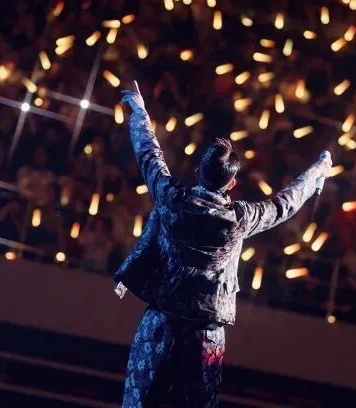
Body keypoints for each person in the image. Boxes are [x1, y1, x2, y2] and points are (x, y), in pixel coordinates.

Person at [115, 81, 332, 407]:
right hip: (206, 335)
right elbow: (285, 203)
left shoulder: (173, 199)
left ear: (198, 171)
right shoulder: (240, 218)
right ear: (231, 183)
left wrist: (140, 113)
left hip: (161, 322)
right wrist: (316, 172)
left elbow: (149, 155)